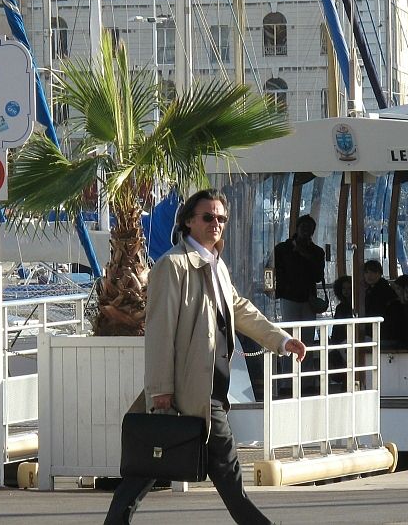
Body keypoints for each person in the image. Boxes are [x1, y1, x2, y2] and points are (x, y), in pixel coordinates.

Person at [105, 189, 306, 525]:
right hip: (190, 390)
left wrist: (282, 340)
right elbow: (159, 333)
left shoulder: (216, 264)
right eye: (208, 217)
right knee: (223, 469)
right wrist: (160, 391)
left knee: (151, 467)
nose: (216, 224)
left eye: (221, 218)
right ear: (188, 221)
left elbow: (239, 309)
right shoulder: (173, 265)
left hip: (212, 388)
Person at [272, 214, 326, 343]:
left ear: (313, 231)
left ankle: (305, 363)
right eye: (304, 227)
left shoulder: (317, 252)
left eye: (309, 228)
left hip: (306, 299)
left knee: (306, 338)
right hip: (290, 296)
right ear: (297, 228)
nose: (306, 230)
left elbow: (318, 276)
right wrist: (273, 289)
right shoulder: (282, 249)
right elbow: (270, 269)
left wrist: (304, 254)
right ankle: (289, 363)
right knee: (289, 338)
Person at [362, 260, 407, 348]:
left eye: (373, 272)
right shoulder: (374, 290)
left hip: (385, 335)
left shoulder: (381, 292)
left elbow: (375, 313)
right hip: (385, 334)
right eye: (366, 272)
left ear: (380, 273)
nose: (369, 275)